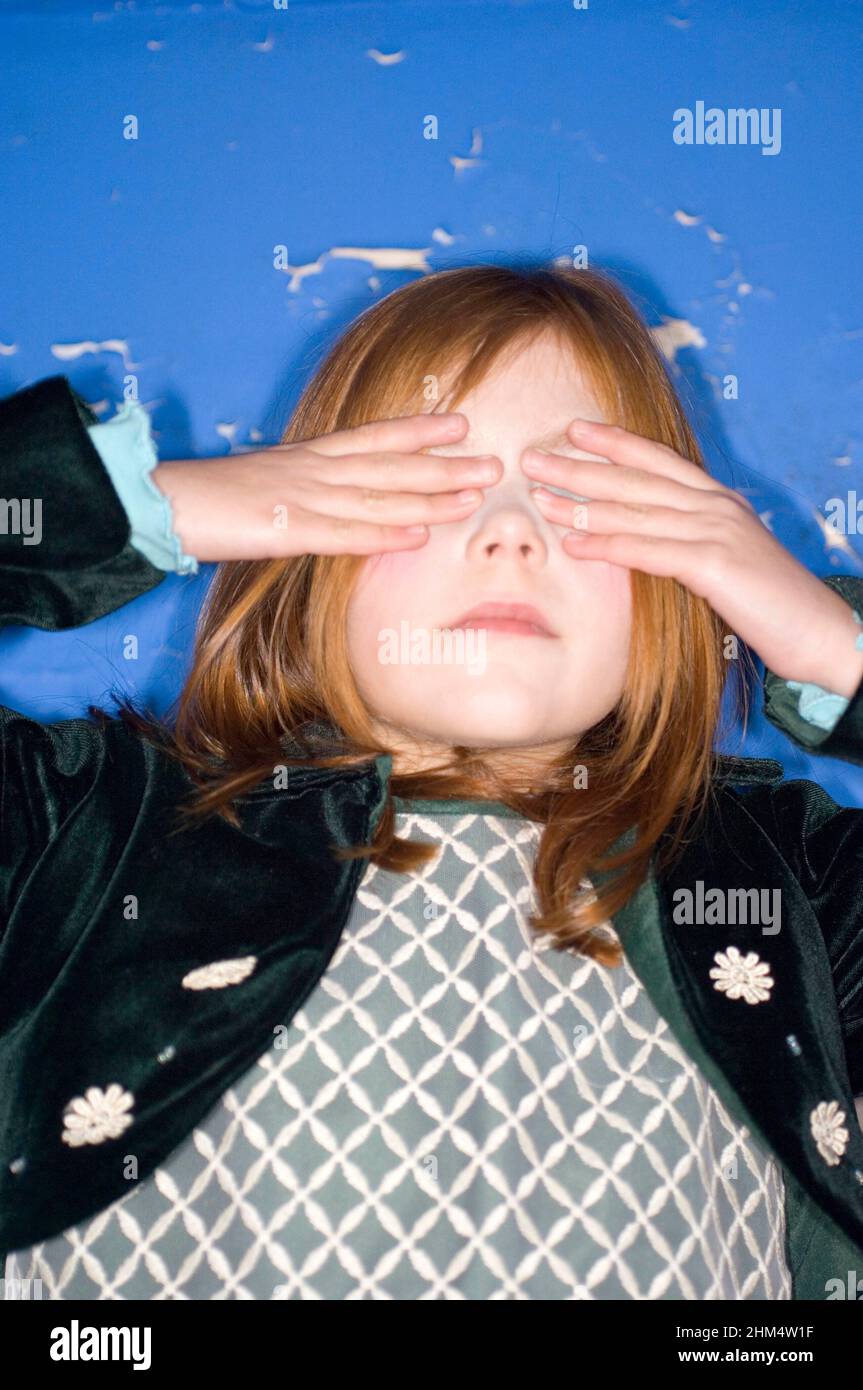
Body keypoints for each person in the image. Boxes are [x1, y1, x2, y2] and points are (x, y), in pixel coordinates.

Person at [1, 263, 862, 1300]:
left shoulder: (793, 886)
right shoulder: (87, 837)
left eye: (578, 497)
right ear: (302, 543)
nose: (510, 530)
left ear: (682, 578)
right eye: (428, 484)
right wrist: (145, 505)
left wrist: (832, 647)